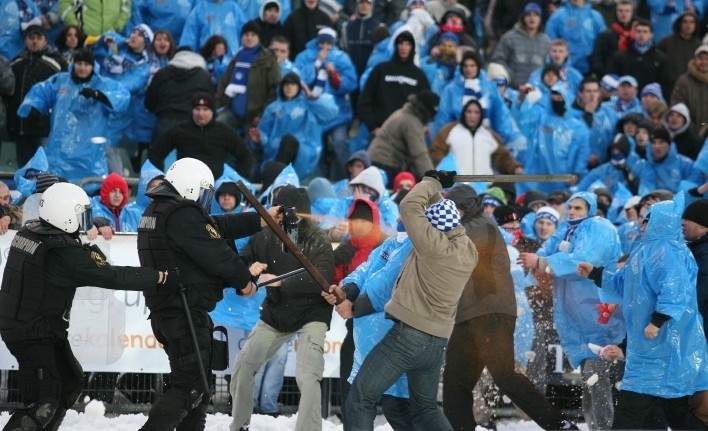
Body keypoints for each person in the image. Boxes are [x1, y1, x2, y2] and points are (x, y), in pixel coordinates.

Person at [0, 182, 166, 431]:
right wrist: (157, 277)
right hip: (32, 333)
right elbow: (113, 276)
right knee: (43, 402)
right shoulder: (62, 253)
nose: (83, 221)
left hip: (35, 325)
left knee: (69, 381)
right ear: (64, 215)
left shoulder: (31, 232)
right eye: (80, 215)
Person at [325, 170, 478, 431]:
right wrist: (348, 289)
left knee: (360, 399)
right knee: (424, 408)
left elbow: (410, 207)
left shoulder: (426, 245)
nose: (400, 216)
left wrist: (433, 181)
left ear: (429, 225)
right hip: (436, 340)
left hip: (408, 337)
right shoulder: (467, 249)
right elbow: (370, 268)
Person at [137, 157, 277, 431]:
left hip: (172, 310)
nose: (205, 199)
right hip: (183, 312)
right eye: (204, 192)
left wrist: (261, 220)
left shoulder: (161, 210)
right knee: (190, 386)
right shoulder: (181, 214)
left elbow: (214, 227)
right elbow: (218, 254)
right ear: (191, 187)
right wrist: (244, 280)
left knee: (198, 387)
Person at [443, 184, 577, 431]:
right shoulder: (469, 225)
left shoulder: (481, 225)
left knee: (504, 375)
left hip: (491, 313)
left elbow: (452, 246)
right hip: (469, 315)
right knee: (455, 382)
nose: (451, 214)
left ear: (465, 208)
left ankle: (560, 425)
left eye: (454, 209)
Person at [578, 195, 708, 429]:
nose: (642, 223)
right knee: (673, 411)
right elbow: (622, 284)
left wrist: (657, 321)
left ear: (661, 222)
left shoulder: (670, 252)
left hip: (665, 346)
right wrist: (595, 274)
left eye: (648, 219)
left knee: (639, 409)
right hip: (647, 348)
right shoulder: (643, 250)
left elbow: (675, 291)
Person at [230, 184, 335, 431]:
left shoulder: (319, 239)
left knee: (308, 375)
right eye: (282, 214)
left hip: (312, 313)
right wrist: (247, 277)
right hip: (276, 312)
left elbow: (321, 277)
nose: (289, 220)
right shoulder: (263, 236)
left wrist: (277, 280)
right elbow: (241, 266)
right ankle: (239, 424)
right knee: (244, 365)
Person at [518, 191, 625, 431]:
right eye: (571, 207)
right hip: (579, 318)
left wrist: (542, 262)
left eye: (579, 208)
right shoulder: (567, 230)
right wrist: (533, 261)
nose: (573, 212)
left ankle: (604, 428)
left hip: (600, 317)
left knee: (597, 377)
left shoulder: (599, 227)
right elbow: (545, 252)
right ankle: (597, 427)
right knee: (591, 379)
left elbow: (585, 259)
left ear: (591, 209)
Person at [16, 48, 129, 185]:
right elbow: (41, 91)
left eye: (86, 64)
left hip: (90, 155)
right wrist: (33, 108)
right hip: (59, 151)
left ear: (93, 66)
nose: (82, 68)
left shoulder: (104, 84)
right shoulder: (61, 80)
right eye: (79, 63)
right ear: (73, 64)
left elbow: (122, 97)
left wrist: (99, 95)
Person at [149, 91, 253, 180]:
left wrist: (234, 181)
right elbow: (155, 154)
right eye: (197, 109)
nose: (201, 113)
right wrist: (161, 178)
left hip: (215, 189)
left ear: (212, 111)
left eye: (205, 109)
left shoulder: (225, 132)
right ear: (192, 111)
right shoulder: (179, 130)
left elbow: (245, 156)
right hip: (184, 185)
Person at [5, 24, 66, 167]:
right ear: (25, 40)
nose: (34, 41)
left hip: (45, 131)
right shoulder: (15, 64)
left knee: (45, 172)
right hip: (21, 130)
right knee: (24, 172)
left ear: (45, 41)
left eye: (39, 37)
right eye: (31, 37)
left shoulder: (57, 64)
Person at [215, 21, 281, 138]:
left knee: (248, 148)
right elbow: (224, 82)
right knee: (215, 126)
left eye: (253, 35)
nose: (249, 38)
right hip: (233, 111)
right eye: (246, 35)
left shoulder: (268, 59)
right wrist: (217, 105)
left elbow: (275, 89)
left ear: (258, 38)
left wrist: (262, 114)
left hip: (254, 116)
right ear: (241, 37)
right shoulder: (237, 56)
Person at [367, 89, 439, 184]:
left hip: (375, 160)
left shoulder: (403, 113)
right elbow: (420, 155)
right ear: (426, 111)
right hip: (386, 164)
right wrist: (433, 181)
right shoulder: (412, 123)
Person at [491, 2, 551, 90]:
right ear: (523, 18)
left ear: (540, 19)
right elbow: (497, 60)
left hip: (537, 91)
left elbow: (549, 66)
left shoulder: (546, 41)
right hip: (512, 89)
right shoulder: (509, 37)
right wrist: (510, 75)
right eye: (528, 15)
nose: (532, 18)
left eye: (536, 15)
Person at [682, 199, 708, 343]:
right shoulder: (697, 248)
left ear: (704, 226)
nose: (682, 222)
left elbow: (702, 289)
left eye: (689, 219)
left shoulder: (704, 251)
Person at [590, 0, 635, 78]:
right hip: (610, 76)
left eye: (627, 11)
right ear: (616, 12)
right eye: (620, 11)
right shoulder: (606, 35)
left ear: (632, 13)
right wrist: (605, 74)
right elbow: (596, 57)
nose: (624, 14)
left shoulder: (637, 34)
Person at [670, 44, 708, 137]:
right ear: (695, 60)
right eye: (700, 58)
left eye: (707, 59)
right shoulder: (683, 81)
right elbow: (677, 105)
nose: (704, 62)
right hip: (687, 133)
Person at [58, 0, 131, 37]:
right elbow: (64, 6)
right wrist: (77, 27)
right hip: (83, 39)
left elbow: (126, 10)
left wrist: (116, 28)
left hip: (109, 41)